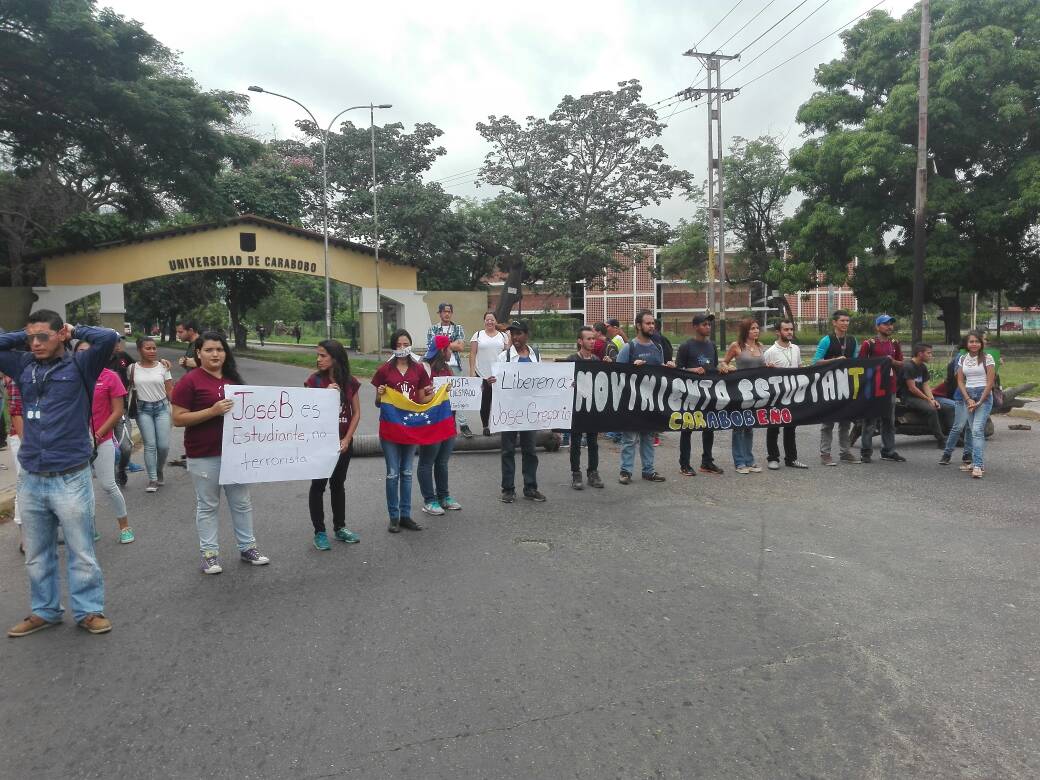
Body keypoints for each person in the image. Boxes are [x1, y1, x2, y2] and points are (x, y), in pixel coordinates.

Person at [0, 310, 117, 637]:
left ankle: (89, 611)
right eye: (30, 338)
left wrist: (74, 328)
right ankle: (45, 610)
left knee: (81, 550)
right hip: (32, 475)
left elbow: (108, 337)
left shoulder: (81, 365)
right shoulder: (23, 364)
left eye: (43, 337)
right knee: (37, 554)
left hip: (71, 476)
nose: (35, 343)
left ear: (60, 335)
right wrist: (22, 336)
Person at [171, 331, 270, 574]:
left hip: (236, 455)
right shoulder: (190, 381)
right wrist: (212, 411)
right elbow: (178, 418)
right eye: (209, 350)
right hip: (204, 455)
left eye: (220, 349)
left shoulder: (234, 380)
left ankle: (248, 548)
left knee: (241, 503)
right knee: (207, 505)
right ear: (198, 353)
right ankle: (210, 554)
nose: (215, 354)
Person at [372, 329, 432, 532]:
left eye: (406, 344)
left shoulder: (419, 370)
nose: (402, 348)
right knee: (392, 473)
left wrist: (436, 395)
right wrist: (380, 394)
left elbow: (423, 399)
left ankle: (406, 515)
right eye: (398, 344)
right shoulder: (385, 370)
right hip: (390, 428)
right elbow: (378, 403)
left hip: (411, 427)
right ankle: (394, 517)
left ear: (411, 345)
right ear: (393, 347)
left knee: (406, 472)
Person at [75, 340, 134, 544]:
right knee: (83, 490)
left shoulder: (110, 377)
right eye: (79, 352)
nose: (83, 355)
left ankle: (124, 526)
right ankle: (90, 528)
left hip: (102, 439)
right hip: (76, 443)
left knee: (109, 485)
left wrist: (98, 435)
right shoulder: (71, 378)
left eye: (87, 352)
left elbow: (117, 411)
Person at [304, 339, 362, 550]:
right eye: (318, 355)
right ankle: (319, 532)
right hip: (319, 445)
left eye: (323, 355)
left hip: (342, 444)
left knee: (338, 485)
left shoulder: (350, 382)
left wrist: (347, 439)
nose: (318, 359)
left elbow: (356, 413)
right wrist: (324, 395)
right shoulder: (313, 381)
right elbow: (306, 414)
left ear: (335, 358)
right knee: (318, 486)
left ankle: (340, 527)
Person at [488, 320, 546, 503]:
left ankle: (530, 487)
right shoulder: (504, 358)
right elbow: (497, 382)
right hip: (510, 411)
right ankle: (508, 489)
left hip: (530, 411)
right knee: (508, 450)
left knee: (530, 450)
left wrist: (565, 385)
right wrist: (492, 382)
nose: (515, 337)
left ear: (527, 334)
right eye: (513, 334)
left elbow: (544, 379)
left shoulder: (535, 354)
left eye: (519, 333)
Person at [616, 310, 671, 484]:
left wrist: (668, 367)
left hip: (651, 402)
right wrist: (632, 367)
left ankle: (648, 470)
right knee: (630, 439)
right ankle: (625, 471)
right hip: (631, 403)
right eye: (648, 323)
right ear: (638, 326)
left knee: (648, 437)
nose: (652, 326)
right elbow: (616, 373)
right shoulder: (629, 347)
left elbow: (660, 372)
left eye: (653, 323)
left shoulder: (658, 347)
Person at [676, 313, 728, 476]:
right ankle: (684, 464)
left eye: (709, 325)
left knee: (709, 427)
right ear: (695, 327)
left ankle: (707, 462)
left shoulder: (712, 345)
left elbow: (712, 367)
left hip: (708, 394)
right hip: (690, 396)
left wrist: (722, 368)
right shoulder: (686, 346)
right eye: (704, 324)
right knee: (687, 428)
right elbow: (677, 371)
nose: (708, 327)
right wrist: (692, 370)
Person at [941, 330, 996, 478]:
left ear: (981, 343)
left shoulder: (988, 357)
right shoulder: (962, 358)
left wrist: (979, 401)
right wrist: (968, 399)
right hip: (968, 395)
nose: (974, 344)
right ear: (966, 343)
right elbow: (960, 381)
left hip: (984, 396)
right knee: (971, 429)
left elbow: (990, 383)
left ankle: (978, 464)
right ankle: (974, 462)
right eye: (971, 341)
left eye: (977, 341)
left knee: (977, 430)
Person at [418, 334, 462, 516]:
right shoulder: (424, 369)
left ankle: (444, 496)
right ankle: (429, 500)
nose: (451, 351)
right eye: (449, 349)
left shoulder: (448, 370)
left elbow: (456, 396)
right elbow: (419, 396)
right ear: (442, 351)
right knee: (427, 462)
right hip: (430, 423)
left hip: (447, 422)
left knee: (442, 462)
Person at [812, 310, 861, 466]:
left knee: (845, 421)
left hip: (845, 385)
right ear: (834, 322)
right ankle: (825, 454)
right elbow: (816, 362)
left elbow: (855, 362)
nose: (845, 323)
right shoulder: (826, 340)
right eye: (842, 321)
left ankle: (845, 452)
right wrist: (834, 361)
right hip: (829, 385)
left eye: (847, 321)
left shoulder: (853, 340)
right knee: (828, 422)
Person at [858, 314, 905, 463]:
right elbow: (860, 365)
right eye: (885, 324)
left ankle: (888, 451)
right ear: (877, 327)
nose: (890, 327)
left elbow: (901, 363)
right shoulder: (869, 343)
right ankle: (866, 451)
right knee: (870, 421)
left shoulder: (895, 343)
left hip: (890, 387)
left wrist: (892, 362)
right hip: (873, 388)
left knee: (889, 420)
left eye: (891, 324)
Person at [722, 318, 766, 474]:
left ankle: (750, 460)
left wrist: (770, 367)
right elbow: (722, 363)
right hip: (740, 393)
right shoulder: (736, 346)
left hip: (757, 393)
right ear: (745, 330)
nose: (756, 331)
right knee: (738, 427)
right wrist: (728, 366)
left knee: (750, 427)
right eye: (752, 328)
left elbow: (763, 367)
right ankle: (739, 462)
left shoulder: (761, 346)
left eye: (757, 328)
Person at [763, 319, 808, 470]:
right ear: (778, 332)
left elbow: (799, 367)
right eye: (786, 329)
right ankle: (773, 458)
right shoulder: (770, 352)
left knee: (791, 428)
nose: (789, 332)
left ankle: (791, 458)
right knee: (774, 427)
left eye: (791, 329)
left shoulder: (795, 348)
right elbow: (764, 376)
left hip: (793, 394)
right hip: (776, 396)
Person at [131, 336, 174, 493]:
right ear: (139, 350)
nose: (152, 351)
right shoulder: (132, 368)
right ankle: (153, 478)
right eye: (147, 348)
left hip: (162, 408)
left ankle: (159, 469)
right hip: (143, 410)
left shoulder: (163, 367)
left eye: (154, 348)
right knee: (150, 445)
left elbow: (170, 390)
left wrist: (177, 409)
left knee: (163, 446)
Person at [564, 327, 604, 490]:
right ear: (580, 341)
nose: (592, 341)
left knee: (593, 442)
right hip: (576, 407)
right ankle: (576, 473)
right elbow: (562, 383)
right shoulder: (571, 360)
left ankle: (593, 472)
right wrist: (569, 384)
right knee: (576, 441)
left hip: (592, 407)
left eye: (593, 338)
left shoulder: (596, 360)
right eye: (588, 339)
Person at [426, 302, 471, 437]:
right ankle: (439, 424)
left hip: (455, 365)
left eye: (449, 311)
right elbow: (431, 346)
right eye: (444, 311)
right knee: (438, 395)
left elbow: (461, 346)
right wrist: (452, 344)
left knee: (458, 395)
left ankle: (463, 425)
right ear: (439, 313)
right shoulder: (432, 329)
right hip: (438, 366)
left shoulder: (458, 328)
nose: (447, 314)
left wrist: (443, 344)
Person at [469, 311, 509, 436]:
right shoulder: (478, 335)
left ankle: (499, 425)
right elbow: (473, 353)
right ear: (484, 321)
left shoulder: (503, 336)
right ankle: (485, 426)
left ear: (496, 321)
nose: (490, 322)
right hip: (482, 373)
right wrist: (472, 372)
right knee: (485, 401)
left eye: (492, 319)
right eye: (487, 319)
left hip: (499, 375)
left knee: (500, 402)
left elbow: (508, 353)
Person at [900, 343, 948, 447]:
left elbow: (926, 385)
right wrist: (928, 400)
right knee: (931, 410)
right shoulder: (909, 366)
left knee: (944, 407)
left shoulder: (922, 367)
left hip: (920, 397)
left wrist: (932, 399)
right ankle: (941, 439)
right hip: (909, 397)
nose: (931, 355)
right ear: (920, 353)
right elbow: (912, 388)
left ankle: (951, 434)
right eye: (929, 353)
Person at [170, 320, 201, 468]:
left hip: (200, 391)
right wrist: (186, 364)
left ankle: (196, 455)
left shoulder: (201, 343)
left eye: (181, 331)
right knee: (191, 423)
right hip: (192, 389)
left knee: (196, 423)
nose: (178, 334)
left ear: (191, 330)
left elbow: (206, 364)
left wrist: (194, 363)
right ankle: (191, 453)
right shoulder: (191, 345)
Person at [3, 372, 24, 554]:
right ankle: (24, 537)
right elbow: (17, 414)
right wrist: (28, 445)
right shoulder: (16, 376)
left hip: (36, 437)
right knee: (24, 484)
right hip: (23, 438)